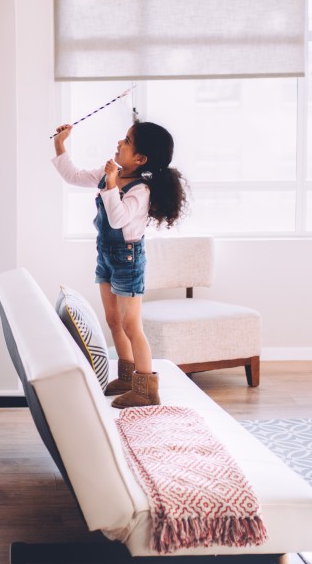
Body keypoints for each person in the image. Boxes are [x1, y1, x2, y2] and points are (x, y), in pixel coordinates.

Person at [52, 120, 187, 408]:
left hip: (128, 258)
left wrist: (111, 185)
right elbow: (73, 176)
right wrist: (60, 145)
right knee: (114, 320)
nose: (119, 143)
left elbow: (118, 220)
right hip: (106, 254)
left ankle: (146, 387)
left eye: (126, 141)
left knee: (131, 324)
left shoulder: (141, 190)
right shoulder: (108, 174)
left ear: (140, 159)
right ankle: (126, 376)